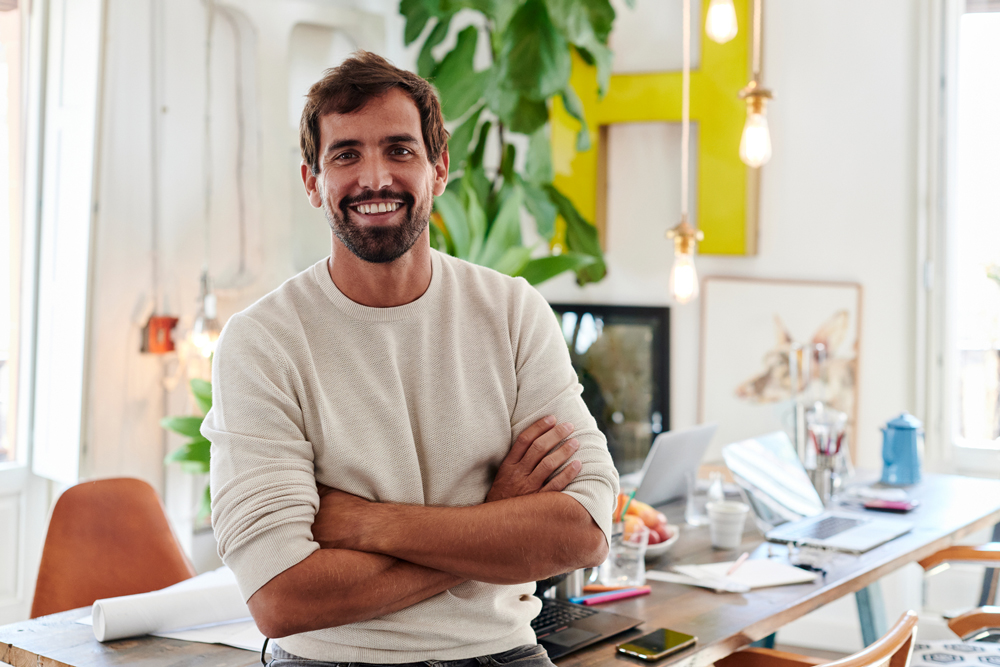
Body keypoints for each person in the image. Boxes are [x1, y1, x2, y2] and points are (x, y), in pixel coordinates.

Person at [202, 51, 618, 666]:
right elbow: (281, 598)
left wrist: (367, 523)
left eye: (399, 150)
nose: (375, 178)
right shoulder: (262, 341)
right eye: (346, 155)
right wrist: (493, 519)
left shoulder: (512, 311)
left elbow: (583, 531)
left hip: (504, 653)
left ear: (438, 168)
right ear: (312, 181)